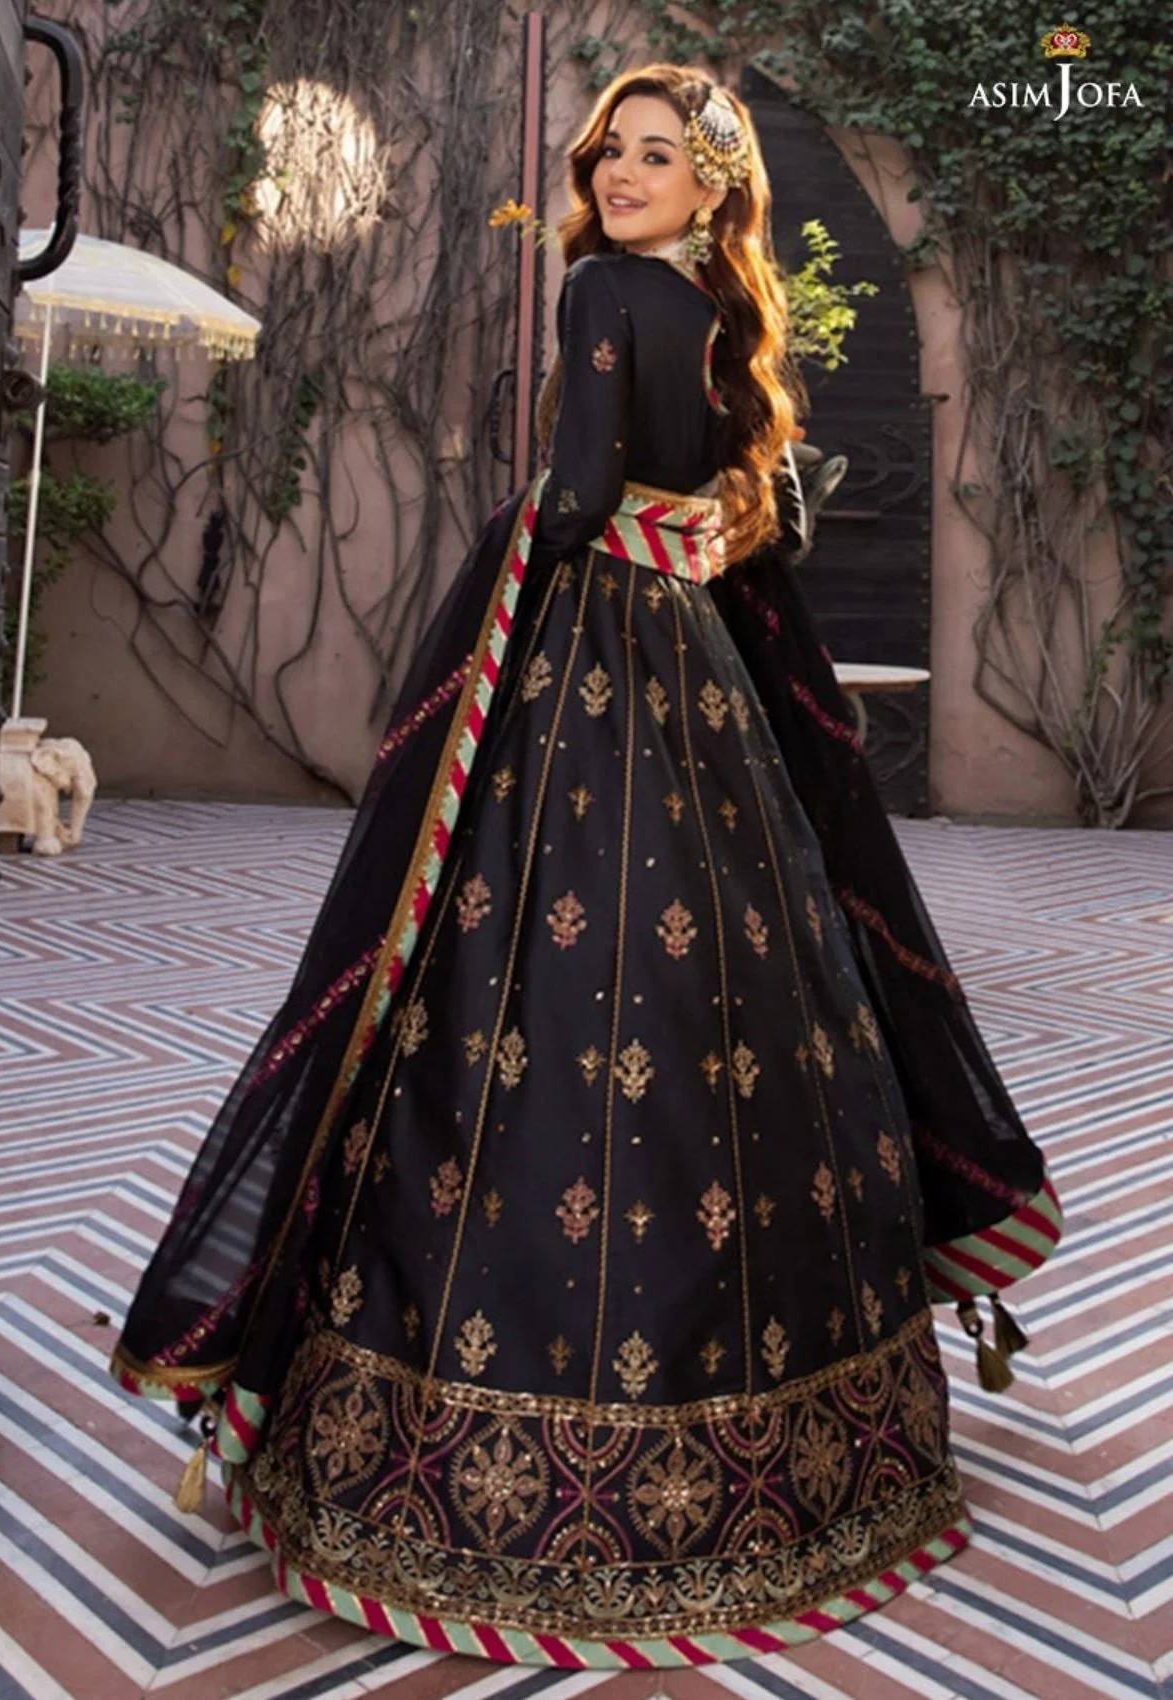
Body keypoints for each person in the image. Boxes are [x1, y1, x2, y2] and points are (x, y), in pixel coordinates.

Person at [110, 64, 1062, 1668]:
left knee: (498, 995)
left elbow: (568, 495)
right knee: (735, 1000)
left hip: (586, 676)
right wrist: (689, 537)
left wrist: (523, 571)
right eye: (609, 151)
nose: (619, 175)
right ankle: (806, 1464)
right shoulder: (722, 312)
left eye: (656, 155)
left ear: (712, 185)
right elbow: (759, 514)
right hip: (700, 677)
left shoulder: (608, 294)